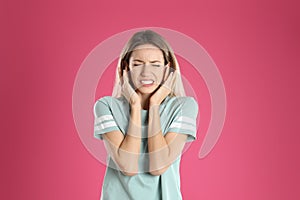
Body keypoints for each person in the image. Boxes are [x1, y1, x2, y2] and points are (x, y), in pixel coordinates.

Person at [93, 29, 199, 200]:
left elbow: (158, 165)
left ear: (167, 69)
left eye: (155, 64)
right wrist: (135, 105)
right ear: (126, 67)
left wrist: (154, 104)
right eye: (137, 64)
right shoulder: (106, 106)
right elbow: (128, 166)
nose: (145, 72)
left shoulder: (184, 107)